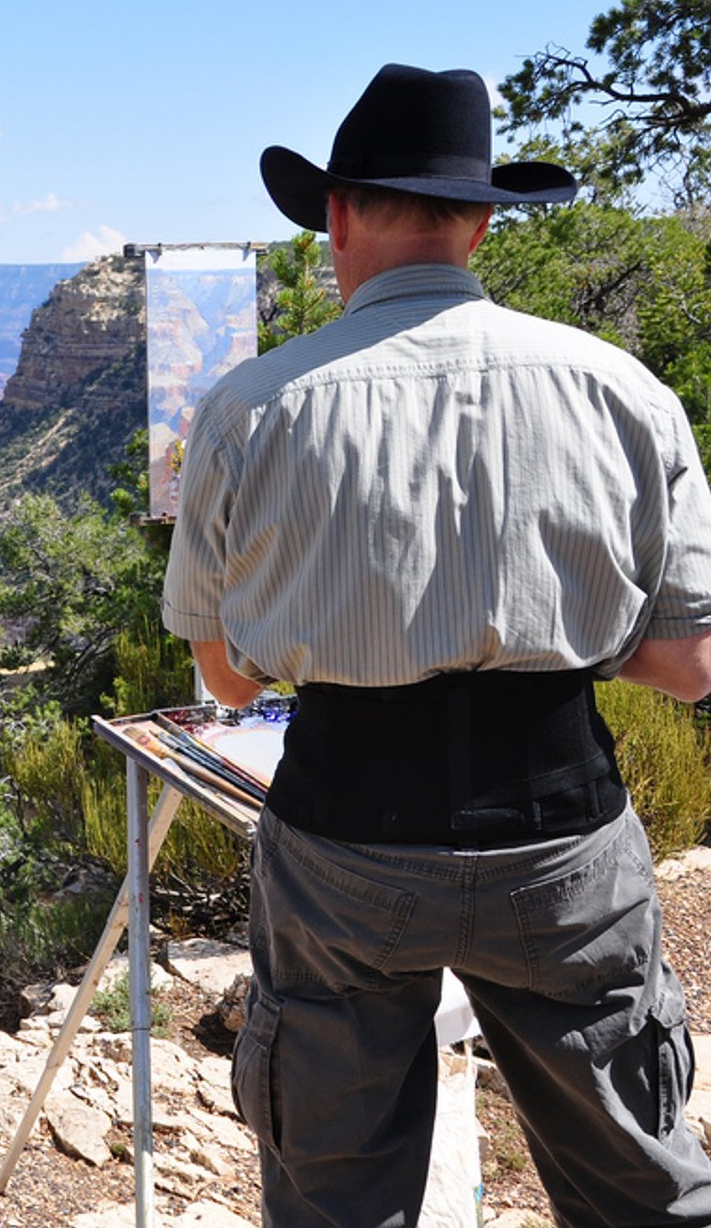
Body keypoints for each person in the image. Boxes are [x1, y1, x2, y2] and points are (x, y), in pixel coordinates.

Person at [163, 64, 711, 1224]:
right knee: (638, 1185)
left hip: (344, 838)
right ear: (478, 222)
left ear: (339, 216)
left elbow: (225, 675)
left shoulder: (252, 406)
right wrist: (554, 624)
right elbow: (690, 666)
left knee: (335, 1192)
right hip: (561, 833)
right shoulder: (624, 391)